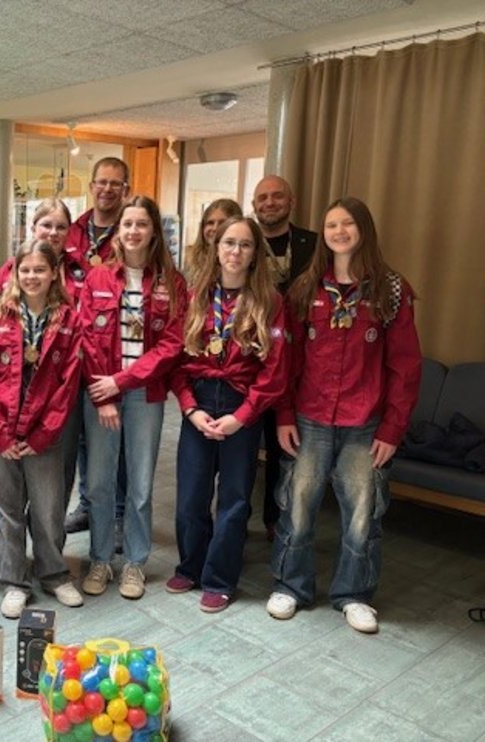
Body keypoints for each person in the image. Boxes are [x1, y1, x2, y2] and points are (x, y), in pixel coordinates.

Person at [268, 197, 421, 634]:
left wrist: (393, 428)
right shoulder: (305, 288)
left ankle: (354, 595)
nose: (339, 231)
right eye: (331, 224)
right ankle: (291, 585)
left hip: (365, 424)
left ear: (364, 229)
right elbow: (288, 359)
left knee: (362, 513)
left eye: (348, 223)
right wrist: (284, 413)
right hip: (310, 418)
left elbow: (405, 366)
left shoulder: (391, 290)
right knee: (297, 505)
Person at [167, 216, 289, 613]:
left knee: (234, 500)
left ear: (255, 254)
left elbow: (275, 371)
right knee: (191, 496)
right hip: (200, 404)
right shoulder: (194, 297)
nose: (236, 251)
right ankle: (190, 566)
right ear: (216, 248)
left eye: (245, 245)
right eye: (229, 243)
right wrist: (190, 408)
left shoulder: (270, 302)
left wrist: (243, 416)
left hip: (242, 406)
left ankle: (220, 579)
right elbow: (176, 362)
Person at [79, 196, 187, 600]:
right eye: (127, 224)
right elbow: (86, 338)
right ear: (117, 230)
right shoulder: (98, 277)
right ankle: (100, 558)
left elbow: (172, 346)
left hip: (145, 394)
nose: (134, 231)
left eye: (142, 224)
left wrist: (122, 382)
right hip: (101, 394)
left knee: (140, 485)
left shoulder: (172, 283)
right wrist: (104, 396)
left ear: (154, 231)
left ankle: (135, 563)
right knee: (99, 482)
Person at [0, 240, 84, 618]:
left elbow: (67, 384)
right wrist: (0, 433)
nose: (32, 276)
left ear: (54, 273)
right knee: (8, 508)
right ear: (15, 272)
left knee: (48, 506)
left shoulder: (68, 321)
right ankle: (14, 581)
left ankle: (53, 573)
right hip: (3, 430)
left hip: (44, 432)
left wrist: (41, 435)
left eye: (40, 270)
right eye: (25, 270)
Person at [65, 157, 132, 537]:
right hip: (75, 351)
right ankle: (89, 504)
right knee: (83, 436)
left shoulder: (131, 231)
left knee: (114, 438)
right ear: (91, 186)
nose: (107, 189)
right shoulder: (74, 230)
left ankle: (118, 513)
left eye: (115, 183)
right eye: (101, 182)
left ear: (126, 189)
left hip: (115, 354)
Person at [252, 175, 318, 539]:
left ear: (291, 202)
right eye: (262, 198)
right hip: (252, 364)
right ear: (254, 206)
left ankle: (277, 520)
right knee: (244, 449)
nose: (270, 203)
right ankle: (236, 519)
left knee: (287, 448)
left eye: (277, 196)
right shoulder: (245, 241)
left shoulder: (315, 245)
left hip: (300, 364)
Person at [184, 198, 242, 281]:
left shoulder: (242, 260)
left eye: (222, 223)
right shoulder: (190, 259)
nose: (215, 228)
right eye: (210, 223)